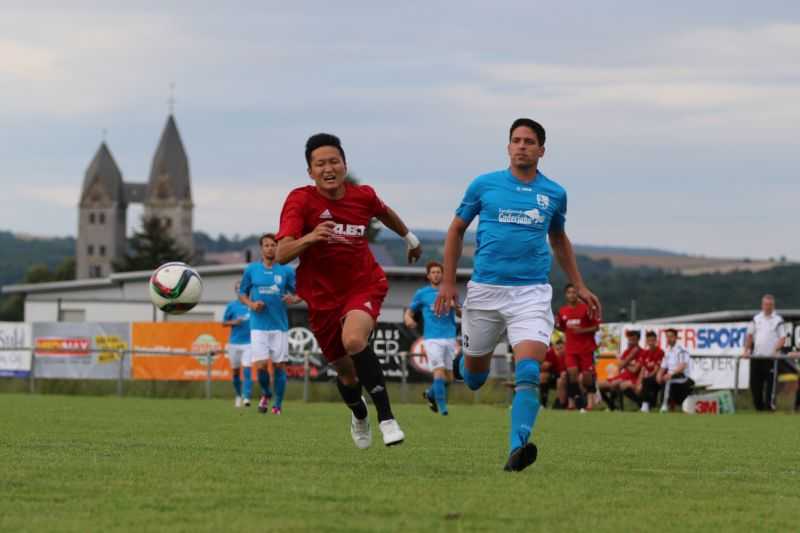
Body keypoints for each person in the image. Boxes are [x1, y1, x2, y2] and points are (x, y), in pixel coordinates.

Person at [434, 118, 602, 472]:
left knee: (528, 367)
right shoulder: (484, 185)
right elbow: (456, 230)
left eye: (528, 141)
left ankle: (517, 448)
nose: (521, 146)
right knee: (475, 377)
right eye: (515, 140)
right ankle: (460, 365)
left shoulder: (555, 193)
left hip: (531, 294)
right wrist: (448, 283)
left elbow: (558, 239)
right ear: (508, 147)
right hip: (485, 292)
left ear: (541, 150)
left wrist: (580, 284)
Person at [276, 133, 422, 448]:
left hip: (363, 283)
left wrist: (409, 238)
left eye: (334, 161)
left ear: (344, 164)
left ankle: (387, 419)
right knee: (346, 374)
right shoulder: (300, 201)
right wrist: (310, 238)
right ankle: (359, 415)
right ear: (310, 172)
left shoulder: (362, 196)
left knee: (354, 339)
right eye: (320, 164)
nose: (328, 168)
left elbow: (384, 212)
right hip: (322, 297)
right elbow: (281, 254)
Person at [239, 233, 301, 415]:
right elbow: (242, 293)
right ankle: (266, 393)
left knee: (279, 366)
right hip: (258, 326)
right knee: (260, 366)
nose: (270, 248)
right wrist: (251, 304)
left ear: (278, 247)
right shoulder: (251, 270)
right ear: (261, 248)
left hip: (279, 326)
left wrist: (293, 299)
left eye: (273, 245)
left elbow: (301, 293)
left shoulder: (286, 271)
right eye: (266, 245)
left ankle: (278, 405)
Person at [404, 261, 460, 416]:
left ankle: (430, 394)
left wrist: (456, 306)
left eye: (438, 272)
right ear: (428, 275)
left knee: (449, 378)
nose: (436, 274)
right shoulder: (422, 293)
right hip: (432, 338)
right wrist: (408, 318)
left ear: (442, 275)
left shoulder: (451, 292)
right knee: (439, 372)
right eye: (433, 272)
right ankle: (442, 407)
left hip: (449, 337)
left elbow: (461, 313)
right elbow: (410, 311)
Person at [557, 283, 601, 412]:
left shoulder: (586, 309)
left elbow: (596, 327)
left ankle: (591, 400)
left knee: (587, 377)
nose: (572, 295)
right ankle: (574, 402)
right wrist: (556, 326)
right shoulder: (562, 311)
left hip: (586, 348)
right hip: (570, 349)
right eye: (569, 292)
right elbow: (562, 327)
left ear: (578, 295)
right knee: (572, 374)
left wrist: (582, 330)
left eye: (574, 292)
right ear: (566, 295)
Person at [743, 294, 786, 411]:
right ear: (762, 305)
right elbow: (750, 336)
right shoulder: (756, 319)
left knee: (771, 386)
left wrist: (775, 350)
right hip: (756, 358)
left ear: (773, 305)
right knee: (755, 387)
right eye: (766, 304)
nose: (768, 307)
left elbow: (782, 338)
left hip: (771, 359)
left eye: (770, 305)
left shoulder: (778, 320)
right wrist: (746, 350)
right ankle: (759, 409)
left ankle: (769, 408)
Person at [222, 282, 252, 407]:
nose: (241, 291)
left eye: (243, 289)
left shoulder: (252, 304)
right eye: (238, 289)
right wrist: (234, 322)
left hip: (249, 343)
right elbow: (224, 323)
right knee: (235, 372)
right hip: (234, 343)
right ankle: (239, 395)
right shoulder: (232, 306)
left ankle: (246, 397)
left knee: (247, 369)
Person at [598, 330, 641, 411]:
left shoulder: (641, 352)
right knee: (598, 384)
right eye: (629, 339)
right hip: (622, 376)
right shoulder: (627, 352)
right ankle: (612, 406)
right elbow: (620, 366)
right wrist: (628, 361)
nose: (630, 342)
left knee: (615, 384)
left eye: (633, 339)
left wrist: (625, 362)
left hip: (633, 378)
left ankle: (614, 407)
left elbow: (634, 370)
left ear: (638, 340)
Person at [656, 328, 694, 412]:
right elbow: (663, 366)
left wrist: (670, 374)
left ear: (676, 337)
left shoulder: (681, 350)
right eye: (667, 337)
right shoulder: (668, 350)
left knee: (668, 380)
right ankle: (648, 405)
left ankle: (664, 405)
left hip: (683, 376)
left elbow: (682, 367)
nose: (669, 339)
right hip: (672, 376)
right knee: (656, 380)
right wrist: (659, 375)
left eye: (671, 336)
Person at [637, 330, 664, 413]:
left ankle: (646, 404)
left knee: (647, 381)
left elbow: (657, 369)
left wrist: (645, 378)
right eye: (649, 341)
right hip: (648, 378)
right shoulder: (645, 353)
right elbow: (643, 369)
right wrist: (639, 382)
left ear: (656, 341)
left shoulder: (660, 352)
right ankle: (644, 404)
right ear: (646, 341)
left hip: (658, 377)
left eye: (653, 340)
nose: (651, 343)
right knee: (639, 384)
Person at [541, 337, 567, 408]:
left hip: (567, 376)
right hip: (555, 375)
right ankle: (543, 404)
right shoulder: (551, 353)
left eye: (561, 348)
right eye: (557, 349)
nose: (559, 351)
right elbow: (545, 366)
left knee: (561, 379)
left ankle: (561, 403)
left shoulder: (569, 355)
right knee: (543, 376)